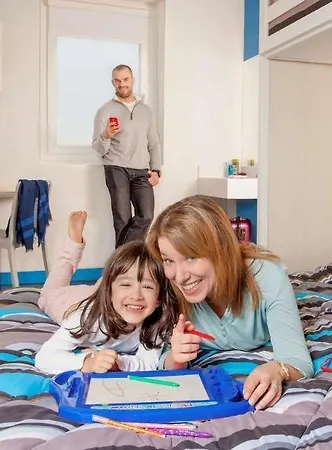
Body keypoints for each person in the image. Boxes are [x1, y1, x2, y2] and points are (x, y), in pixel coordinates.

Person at [146, 195, 313, 411]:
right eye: (169, 260)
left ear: (221, 250)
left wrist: (277, 370)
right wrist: (177, 358)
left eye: (191, 257)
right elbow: (164, 358)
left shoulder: (268, 276)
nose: (179, 276)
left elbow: (298, 361)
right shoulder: (171, 287)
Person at [35, 211, 177, 375]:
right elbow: (44, 358)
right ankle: (73, 244)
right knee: (48, 293)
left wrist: (119, 363)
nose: (137, 295)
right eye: (126, 284)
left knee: (122, 282)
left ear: (159, 298)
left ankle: (117, 283)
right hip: (69, 303)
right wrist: (87, 363)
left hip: (107, 296)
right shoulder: (85, 319)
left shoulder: (156, 322)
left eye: (147, 287)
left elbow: (148, 363)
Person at [92, 64, 162, 248]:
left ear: (132, 80)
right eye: (117, 80)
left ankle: (120, 259)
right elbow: (98, 149)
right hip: (116, 168)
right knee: (122, 220)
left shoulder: (146, 111)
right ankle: (126, 262)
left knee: (146, 216)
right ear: (112, 83)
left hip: (141, 170)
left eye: (125, 79)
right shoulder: (104, 111)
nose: (122, 84)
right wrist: (106, 135)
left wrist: (156, 169)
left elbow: (154, 143)